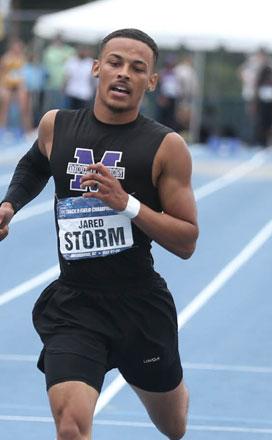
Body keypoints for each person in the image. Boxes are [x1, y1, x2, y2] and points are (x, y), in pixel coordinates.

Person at [0, 28, 197, 440]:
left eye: (137, 68)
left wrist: (127, 203)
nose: (124, 74)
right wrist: (9, 205)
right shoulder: (57, 125)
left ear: (152, 81)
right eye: (115, 63)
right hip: (76, 306)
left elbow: (186, 240)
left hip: (139, 307)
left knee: (174, 427)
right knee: (71, 426)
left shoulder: (166, 147)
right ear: (96, 68)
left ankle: (171, 391)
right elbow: (35, 164)